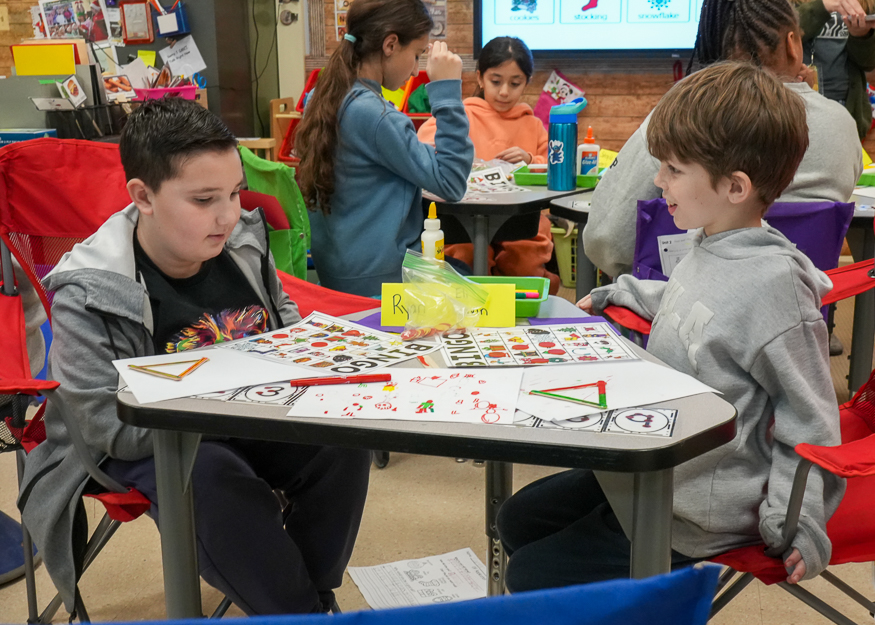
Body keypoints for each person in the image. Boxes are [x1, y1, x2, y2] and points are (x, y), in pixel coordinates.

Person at [497, 61, 845, 592]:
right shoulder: (711, 241)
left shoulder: (777, 291)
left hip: (697, 511)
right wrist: (626, 290)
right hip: (655, 468)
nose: (659, 181)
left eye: (674, 170)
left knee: (529, 574)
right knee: (516, 519)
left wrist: (798, 523)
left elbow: (813, 423)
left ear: (736, 186)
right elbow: (694, 305)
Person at [17, 97, 371, 616]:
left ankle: (311, 596)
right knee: (208, 475)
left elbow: (287, 329)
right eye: (204, 199)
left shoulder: (244, 243)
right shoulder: (89, 289)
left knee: (343, 441)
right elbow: (104, 427)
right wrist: (230, 410)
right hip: (150, 439)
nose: (228, 215)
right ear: (143, 196)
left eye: (233, 193)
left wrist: (326, 361)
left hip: (251, 414)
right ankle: (297, 610)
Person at [583, 0, 862, 280]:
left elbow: (606, 241)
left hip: (680, 307)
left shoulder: (682, 114)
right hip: (799, 301)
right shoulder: (842, 124)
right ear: (792, 44)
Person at [295, 0, 473, 297]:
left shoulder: (322, 95)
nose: (417, 70)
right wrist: (448, 93)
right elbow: (452, 182)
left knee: (460, 266)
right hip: (385, 283)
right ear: (390, 44)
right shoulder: (375, 116)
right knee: (473, 277)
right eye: (416, 55)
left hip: (340, 274)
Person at [417, 36, 560, 293]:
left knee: (526, 265)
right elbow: (423, 148)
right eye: (496, 81)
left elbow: (553, 167)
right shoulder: (459, 114)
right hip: (461, 221)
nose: (504, 91)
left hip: (522, 223)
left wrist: (530, 160)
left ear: (526, 83)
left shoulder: (533, 125)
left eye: (515, 83)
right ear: (480, 78)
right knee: (464, 261)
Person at [794, 0, 875, 140]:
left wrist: (861, 35)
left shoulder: (865, 3)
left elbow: (868, 63)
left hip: (848, 108)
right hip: (798, 108)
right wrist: (822, 7)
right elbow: (776, 39)